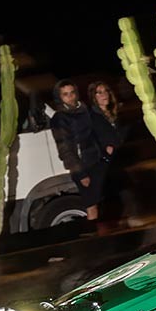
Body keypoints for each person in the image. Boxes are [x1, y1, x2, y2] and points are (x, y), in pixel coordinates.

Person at [51, 80, 105, 221]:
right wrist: (80, 172)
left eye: (72, 93)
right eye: (65, 94)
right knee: (91, 206)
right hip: (82, 165)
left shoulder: (85, 109)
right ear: (59, 97)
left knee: (102, 202)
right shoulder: (60, 118)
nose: (70, 97)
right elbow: (65, 147)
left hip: (97, 160)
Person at [87, 80, 136, 223]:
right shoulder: (92, 117)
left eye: (106, 91)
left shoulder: (114, 113)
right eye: (99, 93)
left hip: (120, 160)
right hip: (105, 164)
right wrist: (105, 151)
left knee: (126, 198)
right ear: (94, 97)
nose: (104, 95)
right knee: (115, 200)